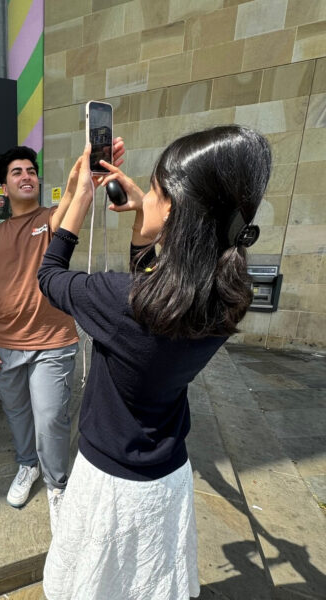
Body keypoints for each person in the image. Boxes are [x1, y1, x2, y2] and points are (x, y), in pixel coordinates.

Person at [37, 125, 271, 599]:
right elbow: (155, 293)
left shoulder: (120, 302)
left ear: (178, 213)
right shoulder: (228, 298)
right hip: (167, 479)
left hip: (109, 483)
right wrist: (148, 221)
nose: (147, 196)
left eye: (157, 191)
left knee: (91, 583)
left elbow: (49, 276)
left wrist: (81, 194)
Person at [0, 141, 124, 528]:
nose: (26, 176)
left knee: (52, 416)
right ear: (4, 186)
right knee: (18, 414)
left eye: (31, 171)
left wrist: (79, 176)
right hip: (5, 344)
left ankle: (57, 483)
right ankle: (27, 466)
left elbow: (73, 203)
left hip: (52, 341)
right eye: (17, 172)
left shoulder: (50, 219)